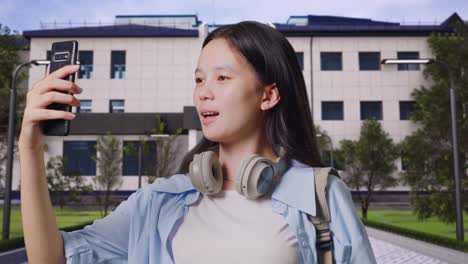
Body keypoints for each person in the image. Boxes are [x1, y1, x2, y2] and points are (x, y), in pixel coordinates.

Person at [19, 21, 376, 264]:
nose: (204, 92)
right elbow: (53, 258)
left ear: (268, 95)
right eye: (200, 79)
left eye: (222, 78)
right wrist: (30, 148)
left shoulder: (319, 197)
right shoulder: (161, 202)